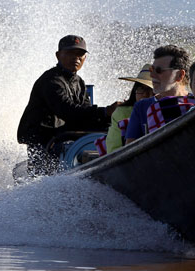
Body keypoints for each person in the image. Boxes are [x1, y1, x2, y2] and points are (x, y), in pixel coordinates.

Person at [17, 34, 119, 176]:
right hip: (43, 139)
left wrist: (115, 117)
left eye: (80, 54)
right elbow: (68, 111)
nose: (76, 58)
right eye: (70, 53)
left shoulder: (79, 82)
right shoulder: (51, 80)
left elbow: (85, 114)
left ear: (85, 58)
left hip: (64, 135)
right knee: (41, 177)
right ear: (58, 55)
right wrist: (105, 111)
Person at [125, 45, 195, 144]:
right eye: (151, 70)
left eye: (158, 70)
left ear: (180, 75)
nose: (152, 75)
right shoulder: (141, 107)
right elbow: (130, 150)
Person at [100, 64, 154, 155]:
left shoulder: (163, 109)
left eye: (150, 90)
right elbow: (113, 150)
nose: (145, 94)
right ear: (134, 91)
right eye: (141, 88)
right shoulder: (122, 113)